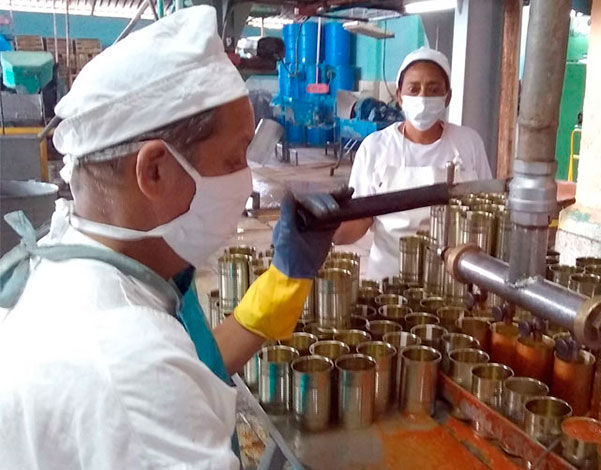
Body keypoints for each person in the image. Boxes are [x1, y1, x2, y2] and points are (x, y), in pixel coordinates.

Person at [0, 7, 339, 468]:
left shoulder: (81, 256)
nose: (247, 178)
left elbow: (197, 361)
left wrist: (284, 277)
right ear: (155, 170)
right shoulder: (133, 367)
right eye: (235, 157)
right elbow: (160, 371)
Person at [333, 47, 493, 281]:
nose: (423, 97)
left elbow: (486, 212)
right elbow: (361, 219)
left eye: (433, 89)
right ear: (399, 96)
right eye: (414, 89)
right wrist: (325, 230)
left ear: (447, 96)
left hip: (453, 279)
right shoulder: (376, 147)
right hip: (389, 280)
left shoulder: (468, 143)